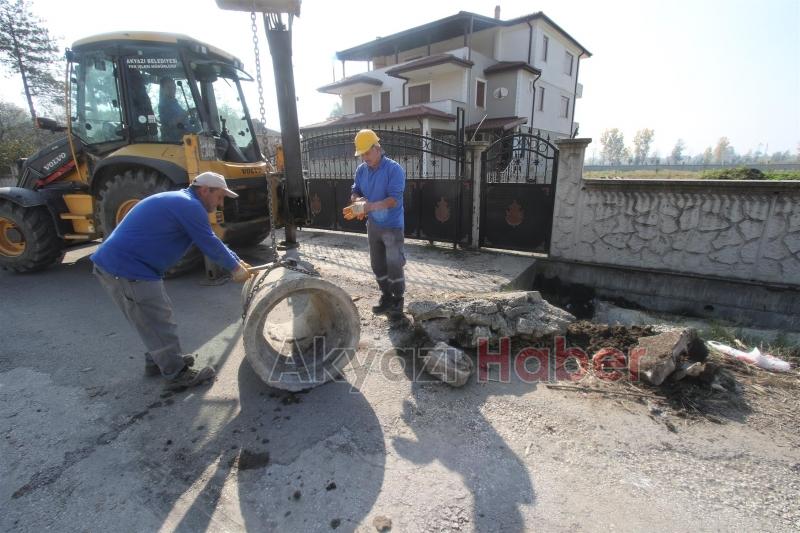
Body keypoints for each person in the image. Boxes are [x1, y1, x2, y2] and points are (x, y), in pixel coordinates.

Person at [92, 171, 253, 390]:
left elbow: (210, 238)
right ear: (205, 190)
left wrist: (238, 260)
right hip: (127, 268)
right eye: (219, 197)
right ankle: (176, 374)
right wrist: (234, 267)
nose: (220, 203)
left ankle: (160, 360)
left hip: (123, 266)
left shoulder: (182, 201)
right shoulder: (189, 205)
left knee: (150, 317)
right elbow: (208, 241)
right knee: (157, 318)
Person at [347, 129, 406, 315]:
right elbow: (355, 191)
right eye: (361, 154)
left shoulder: (394, 169)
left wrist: (369, 207)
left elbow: (393, 200)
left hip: (392, 226)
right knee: (377, 264)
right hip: (373, 226)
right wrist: (357, 201)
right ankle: (386, 295)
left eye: (367, 153)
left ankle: (398, 299)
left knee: (394, 264)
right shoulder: (361, 170)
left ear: (378, 148)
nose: (364, 157)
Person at [158, 76, 189, 142]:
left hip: (183, 137)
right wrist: (186, 114)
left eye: (174, 87)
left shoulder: (174, 102)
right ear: (162, 89)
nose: (172, 90)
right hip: (173, 141)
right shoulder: (163, 105)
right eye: (169, 87)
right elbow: (171, 123)